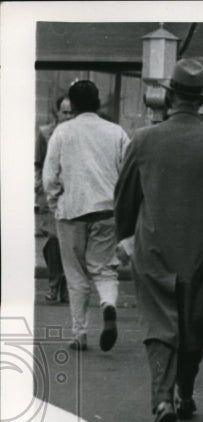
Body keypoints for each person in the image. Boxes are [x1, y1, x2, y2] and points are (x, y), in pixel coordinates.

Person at [115, 59, 203, 422]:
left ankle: (162, 398)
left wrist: (126, 235)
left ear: (169, 96)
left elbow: (124, 199)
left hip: (152, 247)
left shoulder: (143, 139)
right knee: (193, 327)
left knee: (159, 326)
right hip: (198, 252)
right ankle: (184, 392)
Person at [42, 79, 129, 352]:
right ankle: (109, 304)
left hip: (72, 210)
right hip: (107, 209)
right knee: (104, 269)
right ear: (97, 102)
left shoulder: (62, 132)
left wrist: (56, 201)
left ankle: (79, 333)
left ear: (73, 104)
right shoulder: (116, 132)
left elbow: (49, 176)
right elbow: (128, 173)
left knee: (75, 275)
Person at [35, 94, 73, 303]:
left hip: (72, 195)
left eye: (71, 112)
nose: (68, 116)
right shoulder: (45, 133)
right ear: (57, 112)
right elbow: (38, 162)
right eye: (64, 112)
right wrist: (40, 186)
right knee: (53, 241)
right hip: (50, 195)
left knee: (69, 242)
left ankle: (65, 285)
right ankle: (54, 281)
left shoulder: (78, 134)